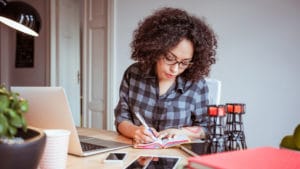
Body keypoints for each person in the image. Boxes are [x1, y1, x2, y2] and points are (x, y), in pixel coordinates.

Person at [114, 7, 217, 144]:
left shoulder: (196, 84)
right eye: (169, 58)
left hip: (177, 159)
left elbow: (207, 128)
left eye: (184, 63)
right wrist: (135, 131)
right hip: (138, 155)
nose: (175, 69)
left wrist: (182, 132)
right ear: (156, 49)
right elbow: (122, 118)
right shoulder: (133, 74)